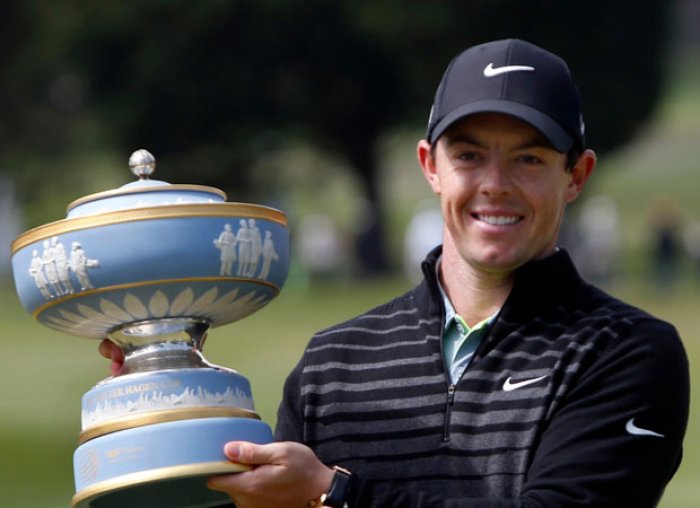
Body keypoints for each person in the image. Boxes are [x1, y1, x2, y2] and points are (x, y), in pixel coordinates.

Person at [101, 39, 690, 507]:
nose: (495, 185)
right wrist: (167, 405)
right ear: (431, 166)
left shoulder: (626, 351)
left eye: (528, 159)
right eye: (469, 155)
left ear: (576, 176)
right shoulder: (333, 364)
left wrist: (335, 493)